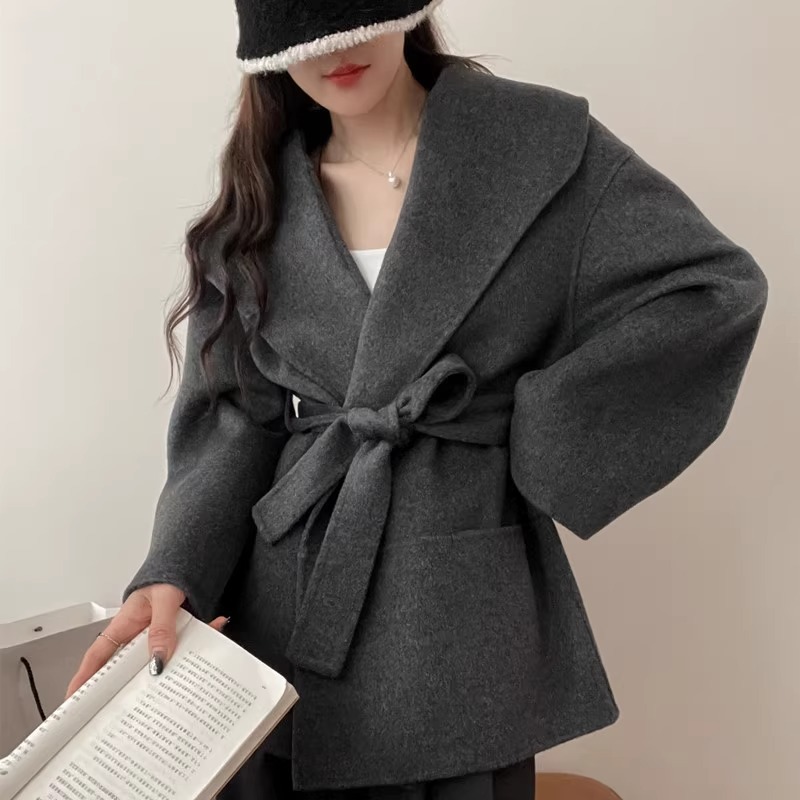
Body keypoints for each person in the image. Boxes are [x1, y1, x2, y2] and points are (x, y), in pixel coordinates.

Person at [66, 1, 769, 798]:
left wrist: (537, 430)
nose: (338, 51)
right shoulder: (260, 198)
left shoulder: (535, 148)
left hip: (458, 611)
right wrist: (175, 568)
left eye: (357, 17)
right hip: (285, 615)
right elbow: (233, 419)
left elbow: (711, 290)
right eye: (306, 35)